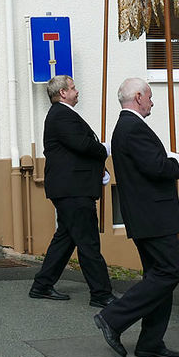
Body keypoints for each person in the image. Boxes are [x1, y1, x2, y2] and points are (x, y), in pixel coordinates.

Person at [93, 78, 179, 357]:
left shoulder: (126, 127)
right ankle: (113, 317)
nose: (152, 103)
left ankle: (150, 341)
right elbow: (157, 168)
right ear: (138, 97)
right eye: (150, 97)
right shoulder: (132, 128)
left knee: (158, 276)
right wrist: (175, 162)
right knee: (168, 273)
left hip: (147, 214)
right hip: (154, 215)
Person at [29, 75, 115, 307]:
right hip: (72, 190)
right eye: (73, 88)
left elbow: (77, 151)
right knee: (88, 242)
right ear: (63, 93)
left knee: (66, 239)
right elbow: (83, 145)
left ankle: (42, 284)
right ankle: (101, 293)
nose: (77, 91)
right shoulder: (61, 115)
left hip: (71, 188)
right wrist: (104, 149)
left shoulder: (62, 115)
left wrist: (99, 169)